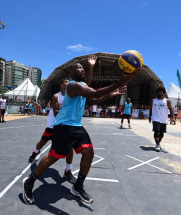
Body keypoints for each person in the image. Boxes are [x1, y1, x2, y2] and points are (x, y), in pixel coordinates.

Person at [23, 56, 140, 205]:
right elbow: (95, 93)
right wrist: (121, 82)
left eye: (84, 69)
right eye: (80, 68)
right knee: (54, 157)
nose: (83, 70)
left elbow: (95, 100)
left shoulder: (82, 86)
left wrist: (113, 93)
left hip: (76, 126)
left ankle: (77, 187)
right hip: (63, 126)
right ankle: (29, 181)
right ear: (72, 71)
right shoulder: (72, 86)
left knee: (89, 152)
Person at [149, 87, 174, 152]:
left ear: (163, 93)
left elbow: (171, 109)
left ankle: (158, 143)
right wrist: (150, 117)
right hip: (155, 118)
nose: (159, 93)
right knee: (156, 131)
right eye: (158, 92)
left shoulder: (167, 101)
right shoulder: (153, 100)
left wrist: (173, 118)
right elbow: (151, 109)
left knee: (162, 132)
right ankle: (157, 144)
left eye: (161, 92)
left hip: (163, 119)